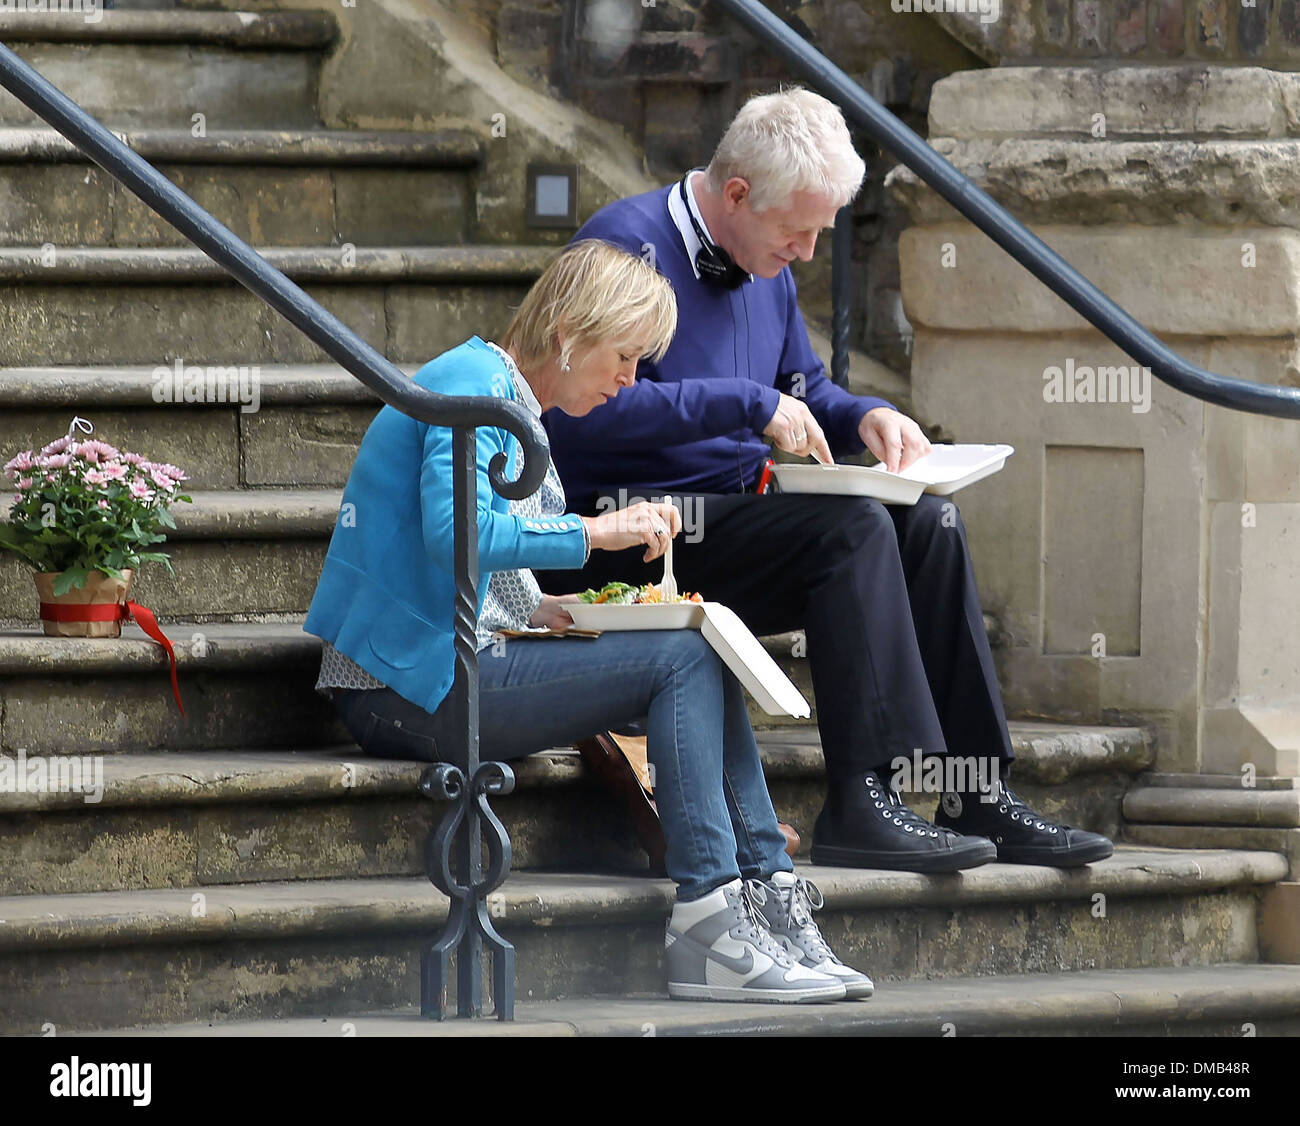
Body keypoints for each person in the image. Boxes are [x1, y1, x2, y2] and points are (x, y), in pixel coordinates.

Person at [541, 89, 1113, 873]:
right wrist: (748, 404)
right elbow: (573, 414)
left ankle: (971, 787)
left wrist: (864, 415)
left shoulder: (762, 256)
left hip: (741, 523)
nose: (809, 252)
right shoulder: (621, 244)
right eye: (799, 231)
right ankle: (863, 800)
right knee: (850, 531)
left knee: (929, 525)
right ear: (736, 195)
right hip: (629, 537)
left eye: (819, 232)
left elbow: (800, 385)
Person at [304, 239, 873, 1003]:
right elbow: (456, 537)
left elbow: (481, 570)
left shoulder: (500, 389)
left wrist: (555, 610)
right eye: (625, 356)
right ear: (570, 333)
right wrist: (594, 533)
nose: (630, 379)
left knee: (698, 640)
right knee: (685, 657)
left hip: (446, 663)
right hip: (403, 690)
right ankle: (710, 921)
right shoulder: (476, 386)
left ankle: (769, 895)